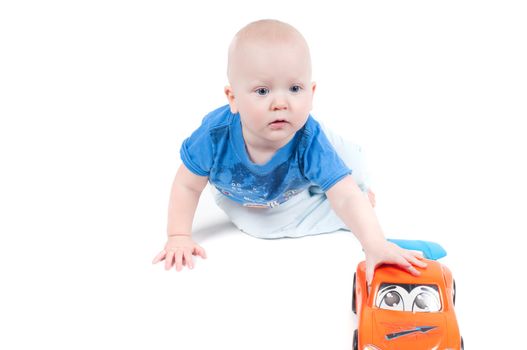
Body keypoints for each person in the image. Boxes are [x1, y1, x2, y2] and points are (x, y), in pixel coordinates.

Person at [152, 19, 426, 284]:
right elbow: (187, 186)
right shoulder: (214, 137)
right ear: (233, 99)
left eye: (295, 88)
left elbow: (344, 195)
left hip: (301, 161)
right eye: (262, 91)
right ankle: (329, 196)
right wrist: (178, 235)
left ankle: (342, 181)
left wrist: (375, 243)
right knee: (261, 227)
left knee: (352, 168)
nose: (281, 103)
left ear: (312, 92)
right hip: (253, 194)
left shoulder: (309, 138)